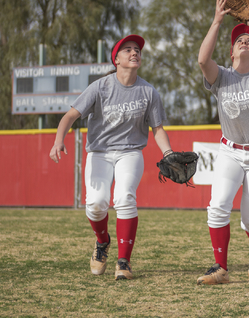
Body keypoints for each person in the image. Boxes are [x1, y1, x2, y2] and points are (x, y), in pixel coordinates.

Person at [49, 34, 173, 280]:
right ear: (116, 59)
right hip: (100, 152)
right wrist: (58, 140)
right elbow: (70, 116)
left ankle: (124, 262)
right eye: (127, 50)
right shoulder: (100, 87)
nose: (134, 52)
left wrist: (168, 152)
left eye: (137, 49)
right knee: (96, 204)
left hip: (130, 151)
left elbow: (157, 128)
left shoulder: (149, 92)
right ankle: (102, 242)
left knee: (125, 197)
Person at [195, 0, 249, 285]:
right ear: (231, 53)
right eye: (238, 42)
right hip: (230, 152)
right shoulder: (221, 77)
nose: (243, 42)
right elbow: (202, 59)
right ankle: (220, 267)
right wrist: (217, 20)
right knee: (217, 205)